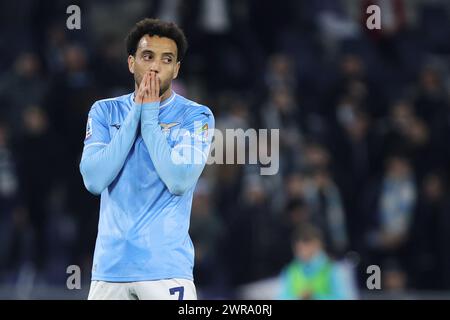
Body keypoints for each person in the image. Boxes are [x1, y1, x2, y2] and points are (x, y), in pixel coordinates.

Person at [79, 18, 214, 300]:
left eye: (167, 59)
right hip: (109, 271)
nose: (155, 66)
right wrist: (136, 115)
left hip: (166, 272)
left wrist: (149, 119)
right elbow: (93, 179)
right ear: (131, 63)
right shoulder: (104, 112)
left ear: (176, 69)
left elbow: (179, 180)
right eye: (147, 56)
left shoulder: (196, 116)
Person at [278, 223, 357, 300]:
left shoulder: (335, 269)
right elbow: (283, 297)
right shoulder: (291, 271)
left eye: (306, 244)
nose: (303, 251)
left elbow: (347, 297)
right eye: (299, 247)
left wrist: (315, 297)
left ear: (318, 244)